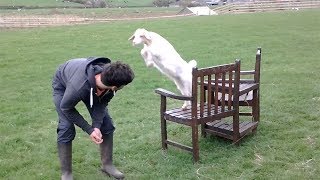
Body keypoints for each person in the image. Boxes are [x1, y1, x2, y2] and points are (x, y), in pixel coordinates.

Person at [52, 57, 134, 180]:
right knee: (66, 127)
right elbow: (67, 108)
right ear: (115, 86)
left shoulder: (110, 80)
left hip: (89, 85)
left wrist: (96, 126)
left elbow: (102, 104)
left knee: (106, 124)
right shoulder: (79, 87)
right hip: (63, 83)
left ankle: (107, 165)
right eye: (122, 86)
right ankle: (66, 173)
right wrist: (89, 130)